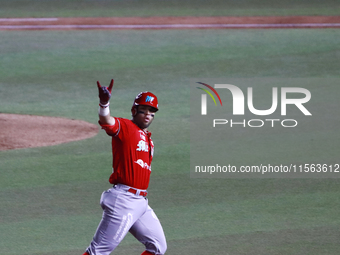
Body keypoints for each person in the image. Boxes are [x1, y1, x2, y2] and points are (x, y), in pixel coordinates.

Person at [83, 79, 167, 255]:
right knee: (98, 251)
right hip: (124, 200)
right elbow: (107, 121)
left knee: (158, 247)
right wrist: (104, 103)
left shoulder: (148, 139)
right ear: (134, 110)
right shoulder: (126, 127)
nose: (147, 114)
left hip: (141, 202)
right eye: (143, 110)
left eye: (151, 112)